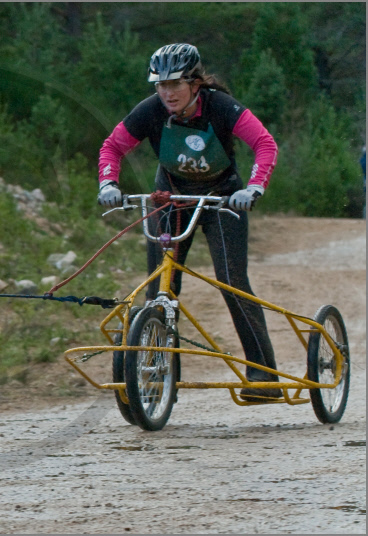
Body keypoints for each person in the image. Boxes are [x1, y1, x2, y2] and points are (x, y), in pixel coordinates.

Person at [97, 43, 280, 401]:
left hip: (222, 199)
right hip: (170, 198)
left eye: (175, 84)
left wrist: (254, 188)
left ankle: (263, 373)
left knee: (231, 281)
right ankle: (161, 377)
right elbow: (112, 147)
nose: (167, 93)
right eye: (160, 85)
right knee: (161, 290)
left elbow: (265, 144)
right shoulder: (150, 111)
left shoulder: (222, 108)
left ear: (196, 83)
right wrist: (108, 181)